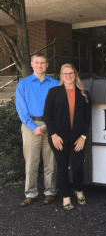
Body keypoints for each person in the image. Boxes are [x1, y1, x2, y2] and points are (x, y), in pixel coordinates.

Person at [43, 63, 91, 210]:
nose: (68, 76)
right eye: (65, 74)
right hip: (59, 138)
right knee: (62, 168)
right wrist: (53, 135)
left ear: (75, 75)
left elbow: (87, 117)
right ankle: (65, 196)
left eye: (71, 73)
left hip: (77, 138)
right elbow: (47, 115)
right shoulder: (54, 92)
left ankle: (78, 190)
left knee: (78, 168)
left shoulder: (84, 93)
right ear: (61, 76)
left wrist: (83, 136)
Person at [15, 53, 59, 207]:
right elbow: (21, 109)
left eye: (43, 63)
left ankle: (50, 192)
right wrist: (33, 127)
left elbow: (59, 107)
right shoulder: (23, 84)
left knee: (51, 161)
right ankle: (31, 193)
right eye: (37, 63)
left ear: (47, 65)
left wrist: (48, 126)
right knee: (31, 161)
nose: (40, 66)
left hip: (51, 125)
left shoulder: (55, 84)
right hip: (29, 126)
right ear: (32, 64)